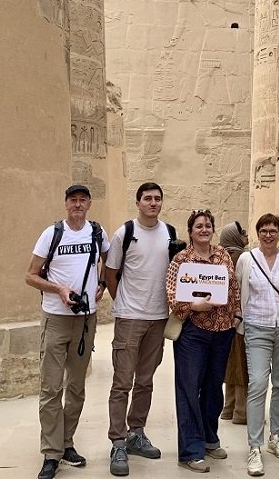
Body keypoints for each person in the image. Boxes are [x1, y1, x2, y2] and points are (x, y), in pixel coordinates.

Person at [24, 184, 109, 479]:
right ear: (66, 204)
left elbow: (109, 262)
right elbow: (30, 275)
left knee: (76, 387)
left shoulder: (97, 233)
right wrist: (58, 289)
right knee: (51, 387)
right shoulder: (52, 234)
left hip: (86, 319)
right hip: (56, 318)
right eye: (73, 200)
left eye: (83, 200)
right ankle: (51, 453)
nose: (78, 205)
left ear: (89, 204)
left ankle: (66, 442)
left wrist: (102, 284)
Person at [102, 182, 172, 476]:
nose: (153, 203)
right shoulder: (125, 233)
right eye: (147, 199)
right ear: (138, 202)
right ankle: (118, 441)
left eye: (157, 199)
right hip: (130, 317)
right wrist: (123, 304)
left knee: (145, 381)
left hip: (158, 318)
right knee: (122, 382)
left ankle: (136, 433)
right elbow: (110, 273)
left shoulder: (169, 233)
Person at [166, 209, 242, 473]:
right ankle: (190, 451)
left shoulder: (222, 255)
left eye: (208, 225)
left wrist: (237, 315)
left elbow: (233, 287)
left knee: (213, 388)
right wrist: (192, 306)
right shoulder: (181, 260)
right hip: (193, 332)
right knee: (189, 389)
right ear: (190, 231)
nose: (204, 229)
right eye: (198, 226)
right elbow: (172, 295)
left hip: (223, 331)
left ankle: (210, 439)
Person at [236, 213, 279, 477]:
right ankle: (255, 446)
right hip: (257, 326)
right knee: (258, 383)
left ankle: (275, 436)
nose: (268, 235)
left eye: (273, 230)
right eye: (263, 230)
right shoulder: (247, 259)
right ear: (257, 233)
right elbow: (239, 290)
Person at [218, 221, 249, 424]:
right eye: (242, 231)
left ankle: (228, 409)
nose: (246, 234)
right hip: (241, 318)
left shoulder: (223, 256)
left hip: (226, 319)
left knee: (232, 364)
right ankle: (241, 412)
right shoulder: (241, 258)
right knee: (242, 365)